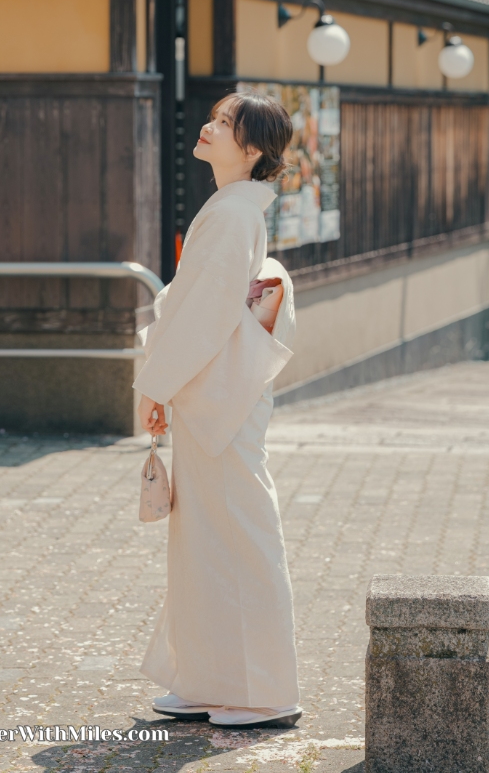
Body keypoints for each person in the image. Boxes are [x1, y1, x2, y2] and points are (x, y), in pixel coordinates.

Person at [135, 92, 300, 730]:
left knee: (239, 535)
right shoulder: (231, 208)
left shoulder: (233, 214)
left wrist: (156, 384)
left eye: (225, 123)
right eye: (214, 118)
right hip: (211, 389)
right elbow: (196, 303)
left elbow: (203, 312)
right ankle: (206, 677)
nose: (208, 126)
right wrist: (166, 380)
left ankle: (264, 689)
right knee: (205, 537)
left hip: (220, 395)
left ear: (253, 148)